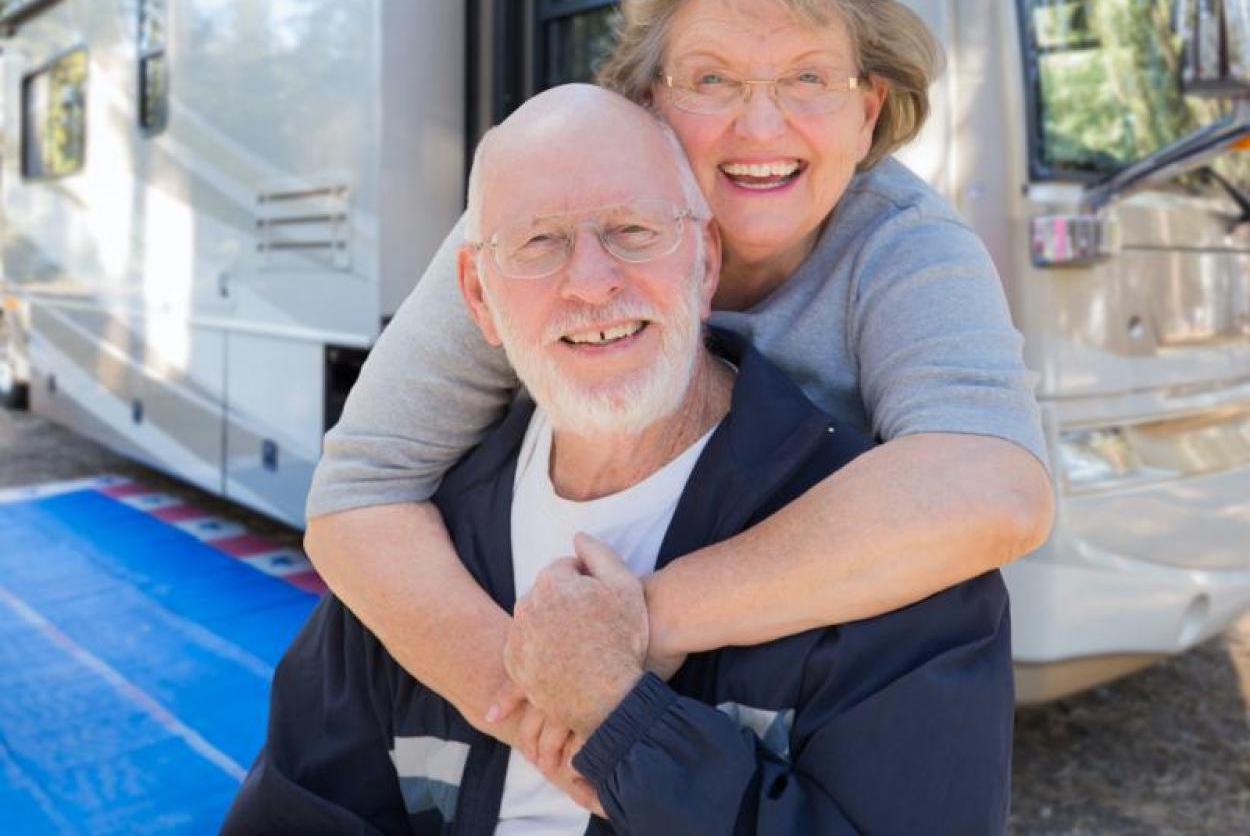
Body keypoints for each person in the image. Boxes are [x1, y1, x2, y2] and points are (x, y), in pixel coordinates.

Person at [302, 0, 1052, 773]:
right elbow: (357, 491)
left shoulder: (901, 243)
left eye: (809, 77)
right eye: (713, 80)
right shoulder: (531, 226)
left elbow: (996, 483)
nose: (762, 127)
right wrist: (539, 716)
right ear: (647, 101)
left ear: (868, 108)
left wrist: (641, 621)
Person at [223, 86, 1013, 834]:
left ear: (705, 262)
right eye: (539, 243)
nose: (592, 283)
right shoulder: (420, 559)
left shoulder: (891, 562)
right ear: (477, 295)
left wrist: (625, 722)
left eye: (634, 230)